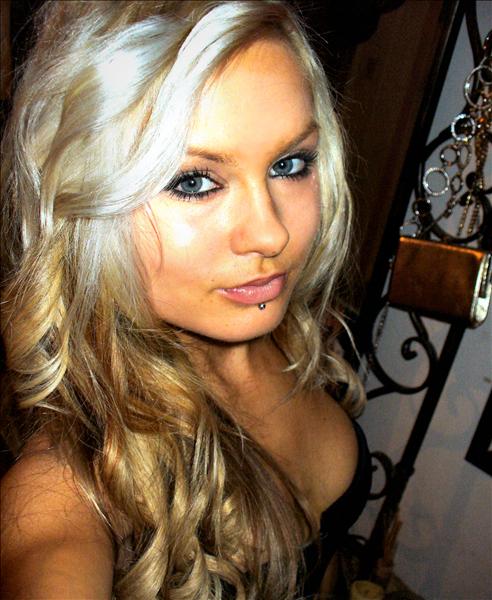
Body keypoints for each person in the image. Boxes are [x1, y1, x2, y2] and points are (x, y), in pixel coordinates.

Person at [0, 1, 371, 598]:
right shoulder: (66, 487)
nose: (271, 234)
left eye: (289, 164)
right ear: (84, 199)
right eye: (194, 181)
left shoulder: (295, 333)